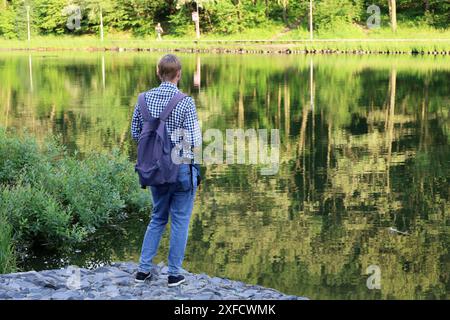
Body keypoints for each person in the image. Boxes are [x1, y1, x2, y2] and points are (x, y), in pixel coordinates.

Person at [131, 54, 202, 287]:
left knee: (158, 217)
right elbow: (194, 140)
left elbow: (135, 134)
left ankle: (143, 271)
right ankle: (174, 274)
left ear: (157, 72)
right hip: (181, 169)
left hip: (156, 170)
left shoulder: (143, 99)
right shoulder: (186, 101)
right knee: (180, 219)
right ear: (179, 74)